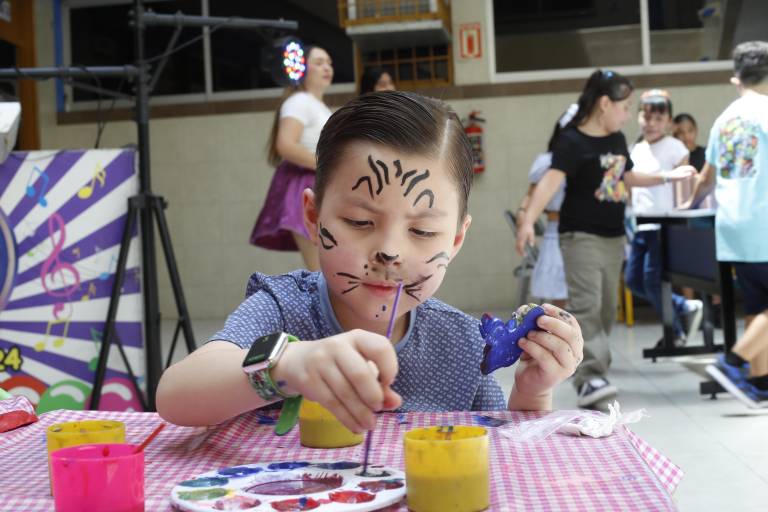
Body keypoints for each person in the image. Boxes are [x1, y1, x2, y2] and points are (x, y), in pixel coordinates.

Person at [157, 91, 585, 430]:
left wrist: (532, 393)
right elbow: (176, 396)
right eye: (360, 221)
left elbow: (501, 445)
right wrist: (288, 364)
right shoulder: (282, 310)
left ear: (455, 239)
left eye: (421, 231)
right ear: (312, 216)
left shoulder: (462, 344)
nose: (391, 252)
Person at [515, 70, 694, 408]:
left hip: (612, 237)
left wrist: (667, 176)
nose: (629, 115)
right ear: (603, 104)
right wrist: (527, 220)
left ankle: (595, 369)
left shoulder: (615, 140)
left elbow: (624, 179)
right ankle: (589, 377)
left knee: (606, 310)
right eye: (625, 107)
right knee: (586, 305)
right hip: (579, 235)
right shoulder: (572, 141)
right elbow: (551, 181)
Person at [682, 41, 768, 408]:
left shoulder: (725, 119)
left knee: (758, 305)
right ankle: (732, 363)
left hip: (733, 229)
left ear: (737, 79)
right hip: (764, 223)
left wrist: (688, 205)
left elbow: (707, 178)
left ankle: (759, 384)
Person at [625, 89, 703, 348]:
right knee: (634, 281)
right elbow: (629, 186)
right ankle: (685, 306)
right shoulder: (634, 148)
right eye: (646, 117)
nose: (651, 123)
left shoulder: (675, 147)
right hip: (640, 223)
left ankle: (676, 333)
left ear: (668, 121)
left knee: (651, 280)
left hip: (665, 224)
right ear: (638, 118)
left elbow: (684, 186)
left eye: (659, 118)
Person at [249, 46, 334, 271]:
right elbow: (285, 145)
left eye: (329, 62)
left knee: (329, 269)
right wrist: (329, 166)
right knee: (322, 271)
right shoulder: (298, 102)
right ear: (302, 68)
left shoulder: (319, 106)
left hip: (320, 184)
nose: (327, 67)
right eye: (319, 62)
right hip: (303, 186)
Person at [516, 104, 578, 309]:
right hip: (556, 229)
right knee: (559, 291)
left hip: (585, 230)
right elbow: (531, 195)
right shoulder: (547, 162)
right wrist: (524, 215)